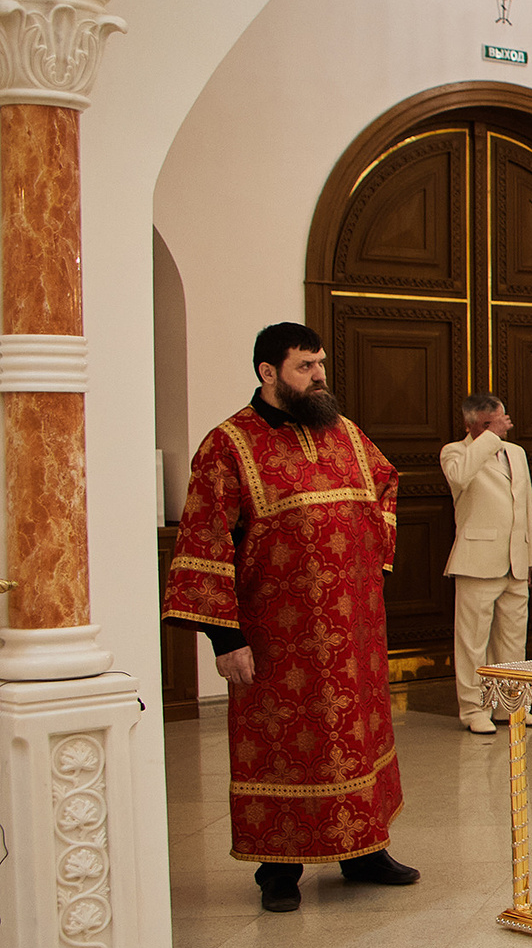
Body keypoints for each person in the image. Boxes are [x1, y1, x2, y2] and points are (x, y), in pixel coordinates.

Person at [162, 322, 420, 912]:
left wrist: (371, 561)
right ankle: (279, 869)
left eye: (320, 363)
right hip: (281, 638)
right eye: (305, 366)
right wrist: (226, 638)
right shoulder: (228, 444)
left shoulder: (345, 433)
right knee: (283, 745)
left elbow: (385, 484)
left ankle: (363, 849)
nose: (319, 375)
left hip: (353, 629)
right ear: (268, 372)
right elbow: (205, 539)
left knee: (356, 736)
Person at [441, 392, 532, 734]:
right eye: (489, 424)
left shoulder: (515, 453)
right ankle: (473, 709)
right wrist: (488, 437)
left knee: (513, 640)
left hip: (516, 559)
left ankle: (510, 704)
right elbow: (460, 477)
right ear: (472, 425)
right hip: (477, 560)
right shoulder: (456, 452)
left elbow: (525, 507)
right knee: (472, 641)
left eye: (501, 422)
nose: (499, 429)